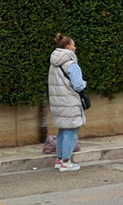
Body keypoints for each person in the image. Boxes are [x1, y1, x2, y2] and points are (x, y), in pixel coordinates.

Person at [48, 33, 87, 171]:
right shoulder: (71, 64)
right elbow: (78, 85)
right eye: (73, 45)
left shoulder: (54, 65)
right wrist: (84, 83)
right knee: (71, 131)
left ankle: (59, 159)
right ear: (67, 47)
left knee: (62, 131)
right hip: (70, 102)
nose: (75, 48)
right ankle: (66, 161)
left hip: (58, 103)